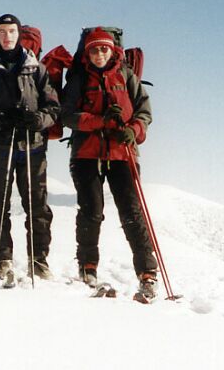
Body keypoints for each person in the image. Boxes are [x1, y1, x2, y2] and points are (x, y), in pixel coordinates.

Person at [61, 27, 157, 298]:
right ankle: (87, 266)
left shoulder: (125, 75)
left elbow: (144, 111)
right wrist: (101, 120)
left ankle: (147, 271)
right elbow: (67, 116)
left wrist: (134, 130)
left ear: (113, 50)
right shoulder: (79, 78)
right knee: (91, 210)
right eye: (94, 49)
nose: (99, 53)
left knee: (131, 212)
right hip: (87, 154)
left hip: (122, 152)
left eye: (104, 48)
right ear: (87, 52)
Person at [0, 14, 60, 283]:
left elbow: (53, 107)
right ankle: (2, 257)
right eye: (2, 31)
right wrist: (0, 120)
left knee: (37, 205)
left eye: (11, 31)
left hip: (32, 146)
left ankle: (38, 259)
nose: (7, 36)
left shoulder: (36, 67)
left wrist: (37, 119)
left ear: (19, 34)